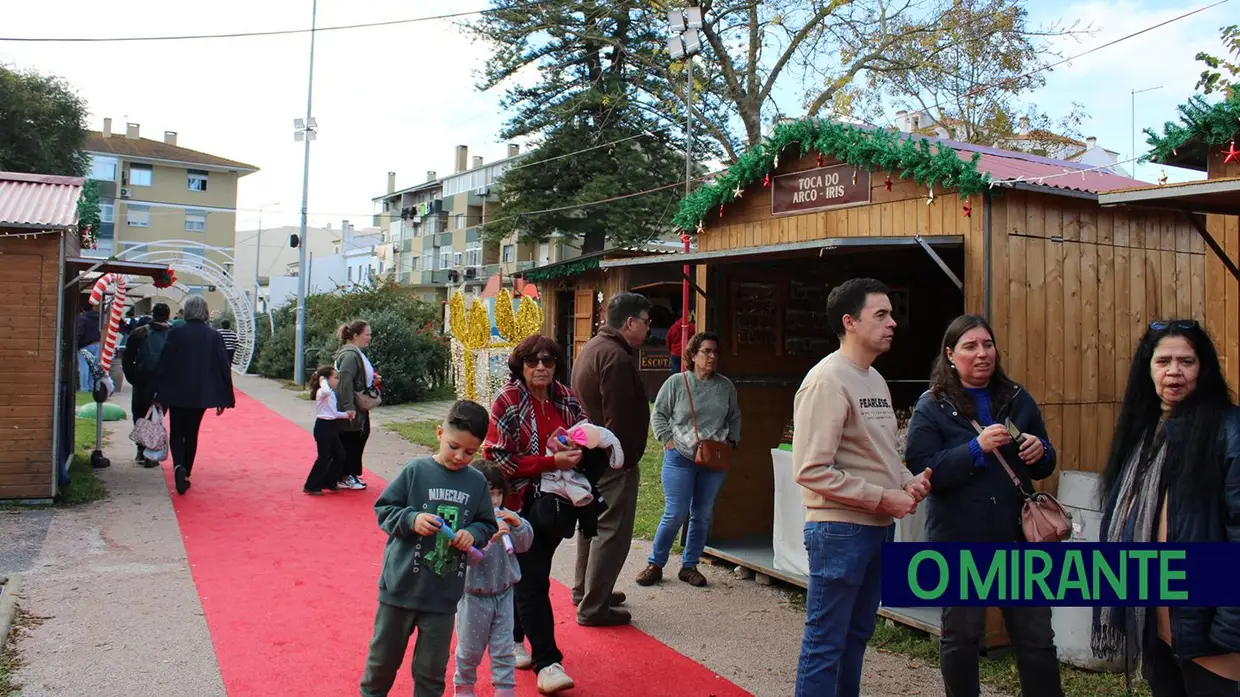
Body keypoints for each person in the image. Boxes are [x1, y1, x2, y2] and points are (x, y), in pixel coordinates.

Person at [904, 314, 1063, 697]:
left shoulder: (1018, 398)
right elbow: (923, 467)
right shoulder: (932, 406)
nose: (981, 354)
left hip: (1018, 538)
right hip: (960, 539)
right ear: (950, 354)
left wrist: (1041, 451)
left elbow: (1045, 462)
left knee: (1036, 638)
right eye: (970, 346)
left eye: (987, 345)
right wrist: (975, 448)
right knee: (962, 638)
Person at [791, 277, 931, 697]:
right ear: (849, 322)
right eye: (881, 315)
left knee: (855, 637)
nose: (893, 323)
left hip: (876, 527)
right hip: (839, 530)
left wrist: (907, 481)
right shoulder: (826, 381)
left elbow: (881, 453)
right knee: (826, 642)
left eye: (892, 314)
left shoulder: (874, 379)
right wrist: (882, 497)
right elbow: (810, 470)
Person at [1092, 320, 1240, 696]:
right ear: (1149, 369)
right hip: (1158, 625)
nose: (1174, 371)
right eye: (1164, 361)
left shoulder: (1228, 431)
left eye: (1186, 361)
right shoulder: (1148, 434)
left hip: (1211, 628)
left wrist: (1229, 628)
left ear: (1203, 368)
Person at [360, 400, 499, 697]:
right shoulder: (416, 471)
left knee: (431, 673)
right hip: (399, 590)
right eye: (453, 446)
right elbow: (384, 509)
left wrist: (471, 534)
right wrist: (412, 519)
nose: (459, 456)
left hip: (442, 597)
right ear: (439, 433)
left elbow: (487, 525)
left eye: (470, 452)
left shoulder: (476, 482)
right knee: (381, 664)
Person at [484, 334, 585, 694]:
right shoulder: (508, 400)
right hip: (518, 504)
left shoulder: (567, 398)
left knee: (528, 575)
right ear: (521, 365)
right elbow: (496, 456)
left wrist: (580, 450)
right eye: (533, 361)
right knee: (533, 580)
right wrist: (548, 461)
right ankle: (548, 661)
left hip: (558, 507)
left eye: (549, 361)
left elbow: (586, 438)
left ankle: (511, 638)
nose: (541, 367)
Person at [570, 292, 651, 627]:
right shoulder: (616, 358)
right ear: (629, 322)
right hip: (610, 459)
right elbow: (618, 418)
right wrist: (623, 459)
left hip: (590, 454)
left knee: (591, 525)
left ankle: (586, 590)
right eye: (646, 322)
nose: (649, 329)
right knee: (610, 531)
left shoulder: (592, 347)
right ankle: (594, 605)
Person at [638, 331, 740, 588]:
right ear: (693, 355)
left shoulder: (725, 386)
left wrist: (731, 442)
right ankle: (655, 563)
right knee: (675, 513)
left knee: (702, 514)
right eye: (706, 351)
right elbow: (658, 413)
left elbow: (734, 417)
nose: (712, 357)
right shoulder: (676, 383)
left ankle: (689, 565)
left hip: (713, 459)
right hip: (680, 455)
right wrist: (668, 441)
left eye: (715, 352)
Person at [453, 462, 535, 697]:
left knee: (503, 650)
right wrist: (489, 539)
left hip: (504, 594)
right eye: (490, 495)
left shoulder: (508, 518)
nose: (496, 501)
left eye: (499, 494)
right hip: (474, 597)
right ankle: (464, 688)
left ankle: (505, 690)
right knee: (469, 650)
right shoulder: (468, 526)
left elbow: (524, 545)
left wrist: (517, 524)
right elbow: (469, 559)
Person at [152, 295, 236, 495]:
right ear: (205, 312)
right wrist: (225, 396)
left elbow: (164, 363)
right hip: (201, 393)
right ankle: (187, 471)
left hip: (176, 390)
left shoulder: (175, 333)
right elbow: (223, 365)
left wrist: (156, 390)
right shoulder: (214, 335)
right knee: (192, 433)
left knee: (177, 431)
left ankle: (178, 465)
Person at [122, 303, 172, 466]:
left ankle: (141, 449)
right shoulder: (173, 333)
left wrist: (132, 377)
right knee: (156, 415)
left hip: (142, 379)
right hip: (164, 380)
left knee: (140, 413)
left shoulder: (139, 332)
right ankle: (151, 452)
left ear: (153, 314)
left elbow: (127, 358)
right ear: (168, 315)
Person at [335, 320, 376, 491]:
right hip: (353, 406)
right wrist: (348, 407)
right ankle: (346, 475)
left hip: (356, 406)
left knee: (358, 436)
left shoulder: (354, 352)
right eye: (367, 334)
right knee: (353, 439)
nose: (369, 338)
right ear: (355, 335)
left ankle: (350, 474)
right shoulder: (351, 355)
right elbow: (345, 381)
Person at [304, 366, 354, 495]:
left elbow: (333, 413)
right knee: (323, 457)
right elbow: (325, 391)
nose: (337, 381)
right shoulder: (323, 391)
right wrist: (322, 380)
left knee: (340, 454)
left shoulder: (330, 393)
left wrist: (346, 414)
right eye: (335, 378)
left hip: (331, 425)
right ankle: (311, 485)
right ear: (326, 379)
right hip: (323, 426)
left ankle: (329, 481)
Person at [76, 304, 101, 392]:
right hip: (97, 344)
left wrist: (77, 345)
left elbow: (80, 333)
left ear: (82, 309)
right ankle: (91, 386)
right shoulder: (99, 317)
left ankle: (84, 388)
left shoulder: (82, 318)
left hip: (85, 345)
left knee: (84, 367)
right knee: (93, 367)